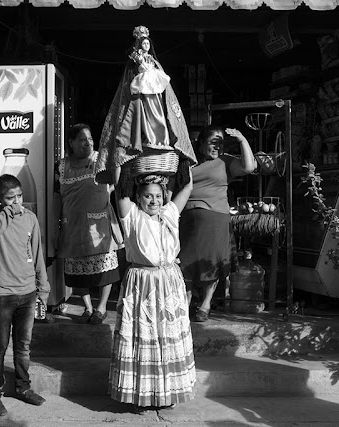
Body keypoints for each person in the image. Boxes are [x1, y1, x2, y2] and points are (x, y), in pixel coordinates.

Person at [109, 166, 196, 412]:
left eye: (158, 196)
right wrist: (121, 162)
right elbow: (120, 190)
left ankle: (166, 392)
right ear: (139, 197)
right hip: (143, 282)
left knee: (166, 338)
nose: (154, 201)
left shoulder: (169, 214)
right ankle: (140, 394)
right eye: (148, 196)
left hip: (168, 281)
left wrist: (184, 159)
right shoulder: (133, 216)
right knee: (144, 336)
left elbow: (187, 187)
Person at [0, 174, 49, 416]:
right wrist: (8, 213)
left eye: (19, 196)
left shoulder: (30, 218)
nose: (17, 201)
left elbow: (38, 253)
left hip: (27, 292)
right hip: (1, 293)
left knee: (23, 346)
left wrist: (43, 287)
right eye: (10, 198)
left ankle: (23, 387)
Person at [94, 25, 197, 185]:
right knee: (141, 118)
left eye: (148, 43)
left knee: (160, 117)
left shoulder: (153, 61)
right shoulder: (135, 60)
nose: (146, 46)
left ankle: (160, 141)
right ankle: (146, 140)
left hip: (154, 94)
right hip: (140, 97)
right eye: (143, 43)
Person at [179, 125, 257, 322]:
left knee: (212, 262)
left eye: (221, 143)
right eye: (213, 142)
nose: (217, 147)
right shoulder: (188, 161)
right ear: (201, 143)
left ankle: (205, 303)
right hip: (186, 219)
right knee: (184, 262)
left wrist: (241, 139)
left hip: (215, 218)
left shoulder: (226, 161)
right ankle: (186, 299)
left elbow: (249, 167)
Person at [53, 123, 124, 324]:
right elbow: (57, 197)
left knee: (105, 270)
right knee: (76, 270)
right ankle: (88, 307)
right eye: (83, 139)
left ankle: (101, 308)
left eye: (90, 139)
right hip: (72, 226)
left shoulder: (99, 160)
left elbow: (116, 180)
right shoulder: (61, 166)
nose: (88, 143)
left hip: (98, 225)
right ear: (71, 143)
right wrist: (53, 229)